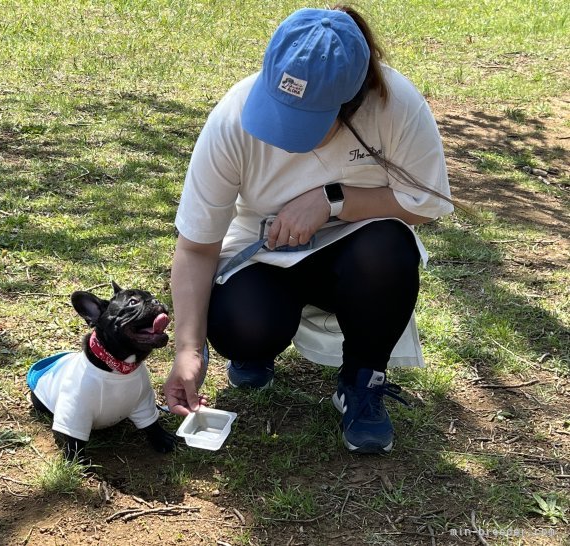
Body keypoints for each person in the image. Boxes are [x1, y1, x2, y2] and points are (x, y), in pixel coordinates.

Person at [163, 6, 454, 454]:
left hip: (355, 249)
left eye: (305, 120)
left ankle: (362, 378)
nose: (281, 135)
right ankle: (256, 347)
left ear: (352, 102)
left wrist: (333, 199)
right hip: (264, 249)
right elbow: (197, 247)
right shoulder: (231, 118)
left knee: (389, 249)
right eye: (278, 111)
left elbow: (427, 203)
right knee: (241, 325)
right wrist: (188, 351)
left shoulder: (397, 105)